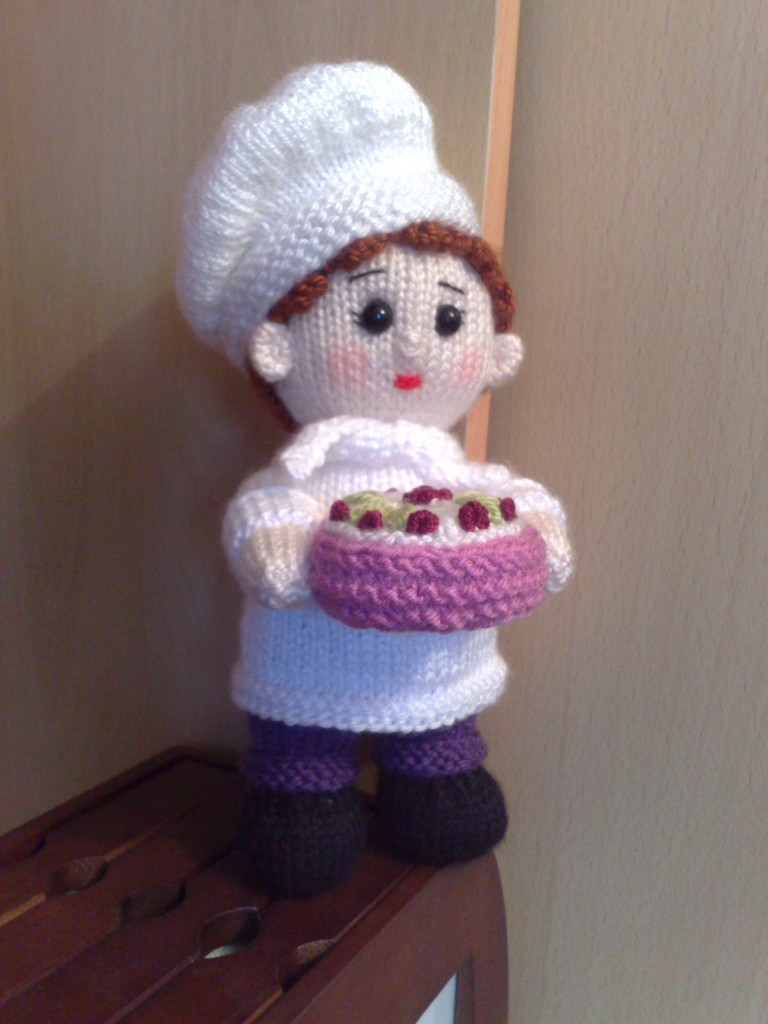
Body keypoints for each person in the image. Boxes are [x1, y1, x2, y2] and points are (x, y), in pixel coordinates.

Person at [177, 62, 572, 897]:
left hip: (435, 679)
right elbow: (264, 514)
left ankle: (435, 773)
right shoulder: (306, 472)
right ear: (278, 346)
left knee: (443, 774)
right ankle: (302, 794)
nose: (415, 348)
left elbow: (512, 497)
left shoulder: (455, 476)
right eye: (376, 314)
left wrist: (539, 530)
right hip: (307, 672)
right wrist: (278, 547)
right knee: (300, 798)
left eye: (450, 317)